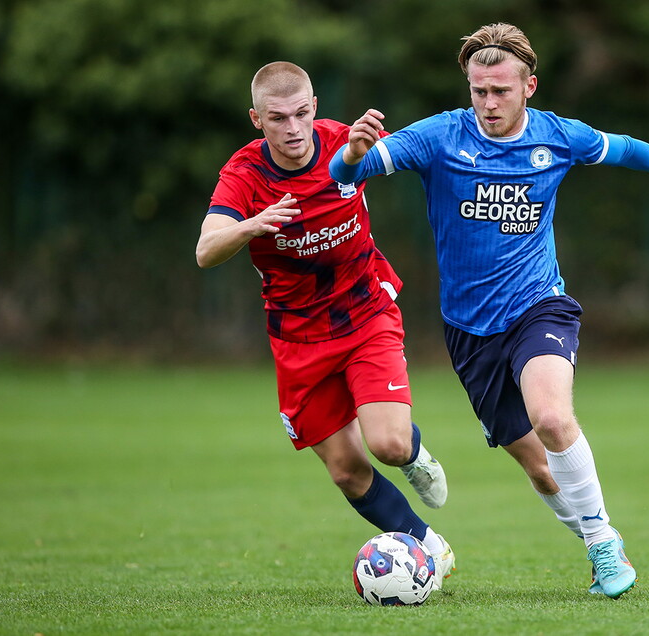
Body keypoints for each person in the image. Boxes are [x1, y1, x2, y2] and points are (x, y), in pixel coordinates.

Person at [330, 23, 649, 598]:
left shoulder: (559, 137)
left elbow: (622, 146)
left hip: (539, 307)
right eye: (479, 91)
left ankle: (605, 545)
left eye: (501, 91)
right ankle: (593, 541)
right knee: (539, 467)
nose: (488, 103)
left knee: (554, 418)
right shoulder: (439, 137)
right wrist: (353, 154)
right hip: (469, 332)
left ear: (528, 86)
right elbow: (348, 174)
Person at [195, 61, 455, 586]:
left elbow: (415, 154)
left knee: (387, 444)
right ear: (256, 119)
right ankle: (430, 549)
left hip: (365, 312)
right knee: (347, 470)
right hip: (297, 337)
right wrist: (250, 225)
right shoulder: (244, 174)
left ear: (314, 108)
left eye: (301, 114)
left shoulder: (344, 142)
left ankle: (411, 448)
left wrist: (362, 153)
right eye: (277, 118)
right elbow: (205, 250)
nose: (292, 129)